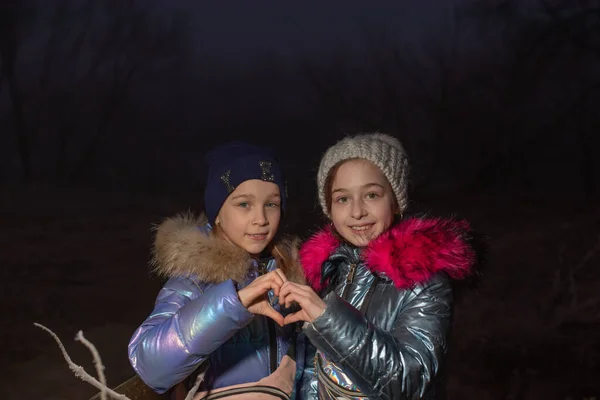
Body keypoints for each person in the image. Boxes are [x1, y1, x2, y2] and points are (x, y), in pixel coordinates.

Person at [278, 133, 479, 399]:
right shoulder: (324, 272)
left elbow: (408, 382)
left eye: (371, 195)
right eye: (342, 199)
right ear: (329, 208)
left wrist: (328, 319)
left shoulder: (423, 281)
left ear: (395, 202)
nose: (357, 211)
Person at [127, 141, 305, 398]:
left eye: (271, 204)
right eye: (244, 204)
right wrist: (234, 303)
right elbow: (148, 363)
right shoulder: (195, 279)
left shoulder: (291, 274)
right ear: (218, 213)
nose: (261, 219)